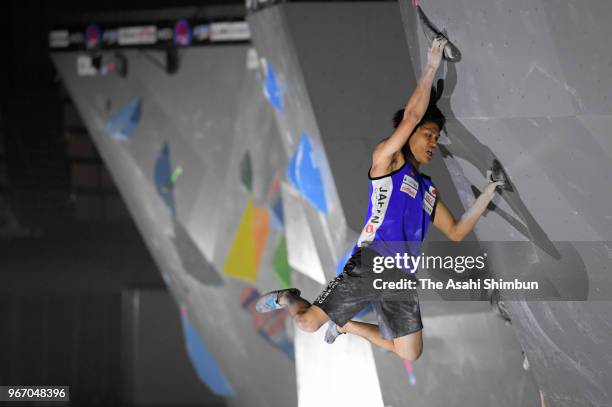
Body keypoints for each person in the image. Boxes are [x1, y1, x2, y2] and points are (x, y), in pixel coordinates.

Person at [256, 37, 505, 361]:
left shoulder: (427, 190)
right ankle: (288, 297)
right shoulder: (387, 161)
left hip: (401, 276)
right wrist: (431, 67)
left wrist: (488, 192)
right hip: (372, 263)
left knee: (409, 352)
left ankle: (345, 327)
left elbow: (456, 231)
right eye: (429, 134)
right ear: (410, 133)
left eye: (437, 138)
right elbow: (413, 115)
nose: (433, 142)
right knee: (307, 323)